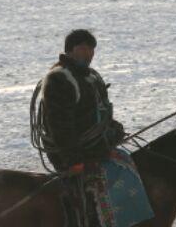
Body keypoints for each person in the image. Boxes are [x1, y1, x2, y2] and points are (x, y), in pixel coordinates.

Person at [31, 28, 124, 173]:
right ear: (69, 51)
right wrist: (73, 161)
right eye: (82, 49)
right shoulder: (59, 79)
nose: (88, 54)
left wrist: (115, 132)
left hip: (98, 148)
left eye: (91, 49)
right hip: (74, 155)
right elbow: (59, 126)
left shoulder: (92, 77)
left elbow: (101, 113)